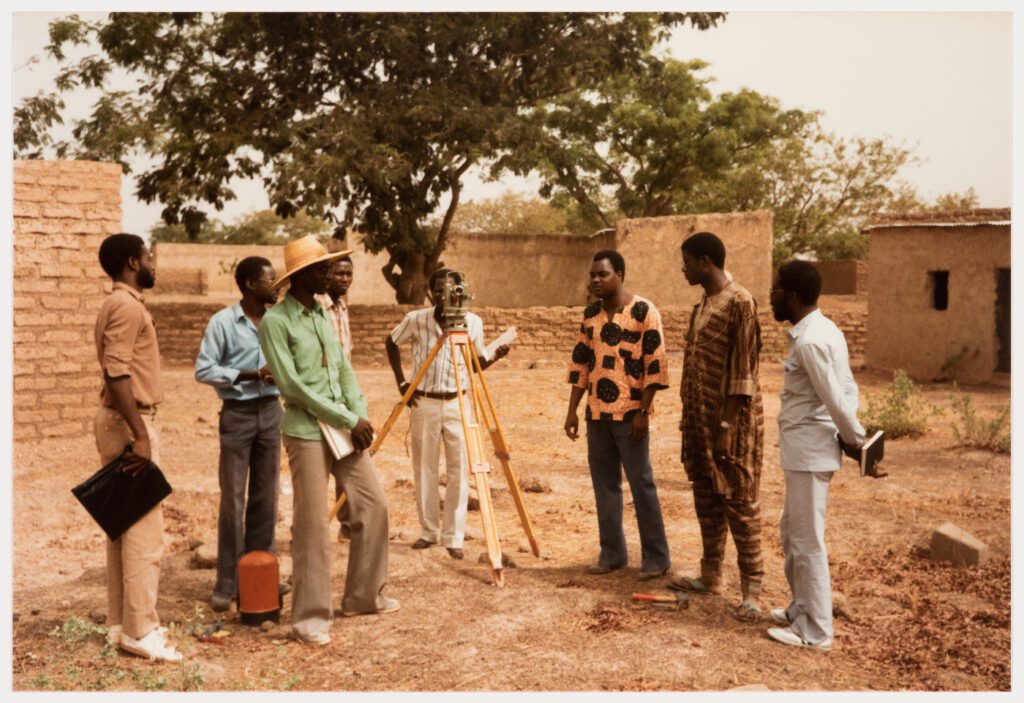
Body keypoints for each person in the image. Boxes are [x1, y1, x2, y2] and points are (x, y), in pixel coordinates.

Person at [258, 235, 397, 646]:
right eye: (323, 269)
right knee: (313, 527)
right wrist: (347, 417)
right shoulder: (276, 322)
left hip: (343, 425)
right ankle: (310, 619)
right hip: (306, 432)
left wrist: (359, 411)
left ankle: (363, 596)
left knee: (373, 505)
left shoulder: (320, 313)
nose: (331, 276)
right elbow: (293, 387)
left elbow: (343, 368)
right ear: (301, 276)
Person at [767, 259, 865, 651]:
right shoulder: (824, 331)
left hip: (810, 453)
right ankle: (800, 610)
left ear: (791, 296)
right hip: (804, 451)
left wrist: (857, 441)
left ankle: (817, 632)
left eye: (775, 292)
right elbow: (847, 389)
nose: (770, 299)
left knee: (807, 542)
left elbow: (835, 398)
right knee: (792, 534)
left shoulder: (811, 341)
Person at [93, 233, 181, 662]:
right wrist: (141, 434)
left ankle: (120, 623)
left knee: (121, 525)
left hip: (118, 419)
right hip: (131, 421)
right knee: (145, 533)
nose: (153, 263)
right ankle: (141, 630)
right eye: (149, 257)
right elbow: (116, 372)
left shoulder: (118, 303)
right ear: (133, 262)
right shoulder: (127, 307)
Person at [671, 232, 766, 623]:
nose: (683, 268)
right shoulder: (704, 305)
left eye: (687, 261)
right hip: (699, 421)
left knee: (739, 501)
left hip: (732, 424)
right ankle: (711, 575)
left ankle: (752, 591)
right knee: (706, 497)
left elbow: (744, 372)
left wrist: (726, 423)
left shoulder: (740, 302)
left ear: (705, 261)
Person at [385, 268, 509, 560]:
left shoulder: (473, 323)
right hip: (425, 402)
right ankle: (429, 532)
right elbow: (391, 341)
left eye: (451, 289)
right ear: (431, 291)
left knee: (459, 469)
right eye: (439, 289)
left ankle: (453, 536)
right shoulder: (416, 320)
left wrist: (496, 356)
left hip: (458, 402)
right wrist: (402, 382)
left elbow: (475, 363)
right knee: (425, 468)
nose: (445, 295)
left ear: (461, 291)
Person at [563, 250, 671, 581]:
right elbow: (581, 363)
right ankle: (612, 553)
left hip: (630, 416)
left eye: (603, 274)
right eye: (593, 274)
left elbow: (656, 365)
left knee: (642, 485)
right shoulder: (591, 315)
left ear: (620, 274)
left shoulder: (643, 311)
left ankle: (656, 558)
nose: (596, 280)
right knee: (605, 486)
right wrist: (572, 411)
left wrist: (643, 412)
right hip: (596, 414)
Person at [195, 256, 285, 613]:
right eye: (270, 280)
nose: (276, 286)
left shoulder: (276, 321)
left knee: (266, 499)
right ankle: (228, 581)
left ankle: (261, 576)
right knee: (233, 501)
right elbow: (204, 369)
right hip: (238, 415)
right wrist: (252, 375)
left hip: (271, 414)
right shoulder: (222, 323)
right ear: (249, 284)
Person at [315, 254, 355, 541]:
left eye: (348, 274)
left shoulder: (342, 307)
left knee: (347, 458)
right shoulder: (316, 307)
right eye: (339, 274)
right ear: (327, 275)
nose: (344, 279)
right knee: (318, 464)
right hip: (320, 395)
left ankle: (348, 523)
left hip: (343, 395)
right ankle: (312, 526)